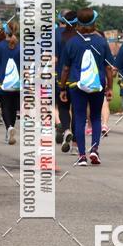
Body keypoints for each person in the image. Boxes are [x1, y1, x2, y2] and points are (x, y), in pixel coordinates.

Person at [59, 8, 115, 166]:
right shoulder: (102, 42)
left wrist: (62, 88)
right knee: (96, 117)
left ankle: (82, 155)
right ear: (94, 22)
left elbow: (65, 69)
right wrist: (109, 88)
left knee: (80, 118)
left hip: (76, 85)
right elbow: (108, 68)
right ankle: (95, 150)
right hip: (97, 85)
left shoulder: (72, 43)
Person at [0, 22, 21, 144]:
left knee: (5, 106)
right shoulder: (20, 47)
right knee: (13, 108)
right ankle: (11, 127)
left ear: (5, 32)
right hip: (17, 84)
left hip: (2, 82)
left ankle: (9, 128)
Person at [55, 10, 77, 153]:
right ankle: (75, 143)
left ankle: (66, 129)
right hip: (77, 78)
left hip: (61, 76)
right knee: (77, 111)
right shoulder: (80, 36)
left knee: (63, 107)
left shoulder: (55, 34)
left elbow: (54, 58)